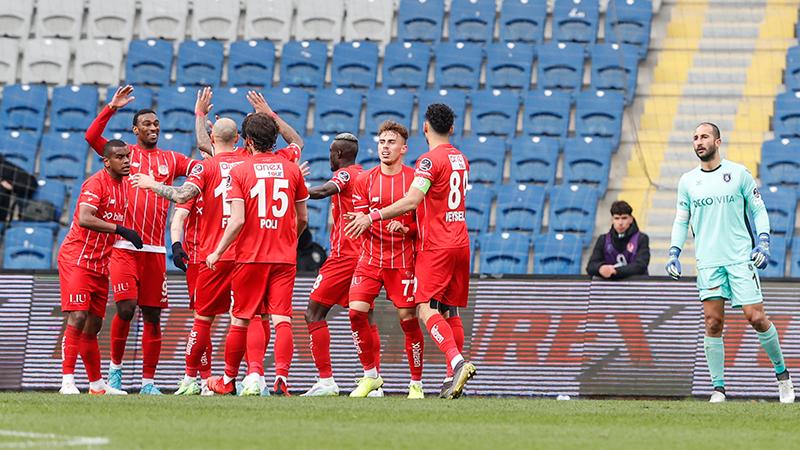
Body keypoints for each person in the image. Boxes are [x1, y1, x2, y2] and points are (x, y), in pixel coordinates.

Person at [132, 89, 305, 396]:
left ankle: (193, 378)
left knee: (207, 319)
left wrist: (152, 183)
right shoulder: (264, 161)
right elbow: (296, 145)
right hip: (255, 251)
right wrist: (270, 113)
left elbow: (185, 191)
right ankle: (259, 377)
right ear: (240, 140)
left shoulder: (209, 166)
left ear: (217, 139)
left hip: (215, 254)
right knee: (262, 316)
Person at [345, 103, 476, 400]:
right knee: (448, 309)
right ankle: (447, 378)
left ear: (425, 128)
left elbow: (412, 201)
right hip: (461, 241)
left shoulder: (428, 162)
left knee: (424, 309)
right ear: (452, 128)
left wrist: (373, 216)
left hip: (437, 245)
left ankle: (456, 364)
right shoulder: (461, 159)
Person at [85, 85, 207, 395]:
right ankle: (115, 371)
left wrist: (205, 128)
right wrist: (111, 107)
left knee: (153, 315)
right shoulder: (123, 154)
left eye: (156, 124)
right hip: (124, 247)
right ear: (135, 129)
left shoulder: (171, 159)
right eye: (147, 125)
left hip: (155, 249)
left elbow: (203, 169)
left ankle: (148, 383)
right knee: (126, 309)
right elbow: (91, 137)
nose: (153, 129)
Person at [666, 122, 794, 403]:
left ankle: (783, 377)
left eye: (704, 137)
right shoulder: (687, 181)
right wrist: (674, 251)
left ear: (718, 141)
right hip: (708, 261)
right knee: (713, 323)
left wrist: (763, 240)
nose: (699, 142)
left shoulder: (738, 174)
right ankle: (718, 389)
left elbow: (759, 209)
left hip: (738, 258)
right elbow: (681, 219)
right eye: (695, 137)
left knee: (756, 317)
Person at [205, 113, 309, 396]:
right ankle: (282, 379)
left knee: (241, 318)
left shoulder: (240, 171)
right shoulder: (292, 169)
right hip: (284, 256)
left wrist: (218, 251)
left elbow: (236, 221)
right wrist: (289, 239)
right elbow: (303, 218)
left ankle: (229, 380)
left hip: (250, 257)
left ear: (248, 141)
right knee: (282, 318)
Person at [346, 121, 426, 399]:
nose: (385, 147)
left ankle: (416, 383)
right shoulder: (364, 180)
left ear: (403, 148)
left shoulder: (415, 179)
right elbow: (359, 217)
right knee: (355, 312)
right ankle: (371, 376)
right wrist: (359, 222)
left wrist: (406, 229)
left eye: (391, 142)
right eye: (382, 142)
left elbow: (422, 224)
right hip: (370, 258)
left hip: (403, 260)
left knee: (408, 320)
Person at [57, 140, 142, 395]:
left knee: (93, 325)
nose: (126, 161)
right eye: (119, 157)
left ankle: (96, 385)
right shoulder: (96, 183)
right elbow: (84, 218)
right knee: (78, 316)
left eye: (127, 156)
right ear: (107, 161)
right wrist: (121, 230)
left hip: (100, 263)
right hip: (77, 258)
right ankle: (67, 382)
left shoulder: (125, 186)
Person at [300, 133, 367, 397]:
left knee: (313, 313)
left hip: (343, 258)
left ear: (338, 155)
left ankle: (326, 381)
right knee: (362, 316)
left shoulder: (346, 175)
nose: (329, 156)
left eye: (330, 152)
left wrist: (291, 188)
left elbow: (325, 190)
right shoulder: (364, 174)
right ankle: (372, 379)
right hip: (363, 256)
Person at [586, 200, 650, 280]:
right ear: (612, 220)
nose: (620, 222)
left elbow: (641, 265)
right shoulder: (603, 239)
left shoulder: (641, 238)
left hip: (636, 287)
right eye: (616, 218)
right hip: (608, 289)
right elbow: (591, 266)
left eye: (624, 218)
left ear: (631, 219)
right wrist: (600, 268)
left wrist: (615, 271)